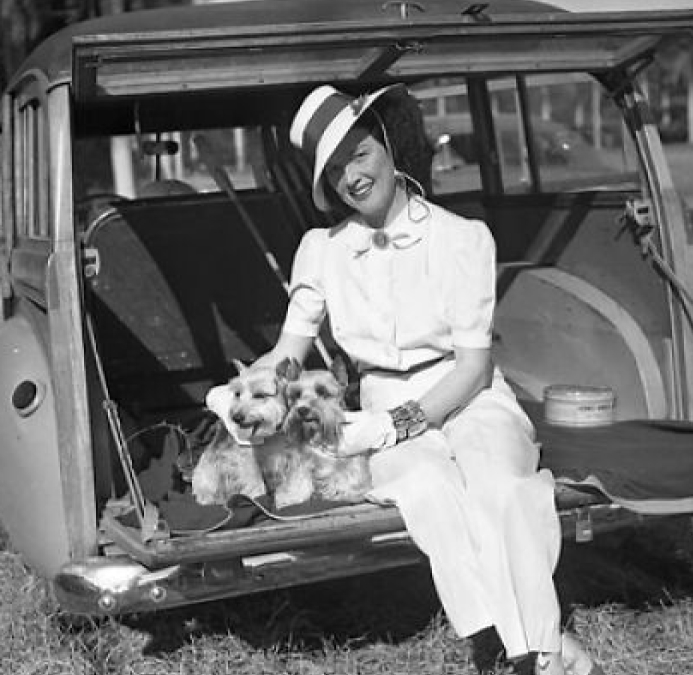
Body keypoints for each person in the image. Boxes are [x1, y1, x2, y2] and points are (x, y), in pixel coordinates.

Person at [247, 84, 603, 675]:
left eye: (358, 155)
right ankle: (538, 650)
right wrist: (254, 389)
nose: (352, 177)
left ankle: (534, 648)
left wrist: (399, 425)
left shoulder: (462, 238)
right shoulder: (321, 250)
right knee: (430, 488)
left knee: (503, 486)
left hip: (470, 395)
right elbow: (290, 349)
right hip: (379, 400)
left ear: (386, 144)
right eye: (335, 171)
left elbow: (471, 367)